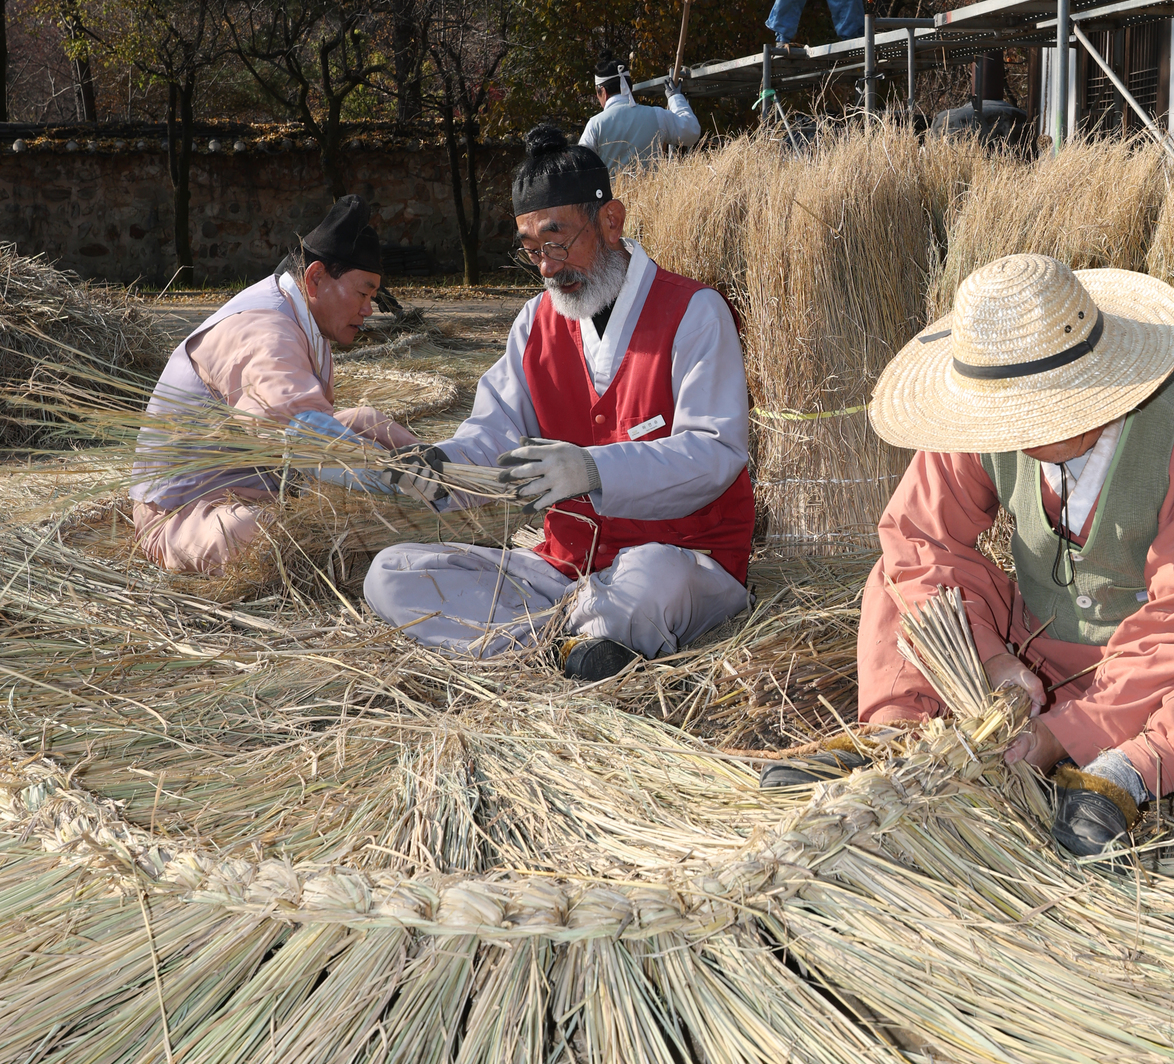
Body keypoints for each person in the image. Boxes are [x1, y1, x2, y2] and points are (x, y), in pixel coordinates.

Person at [784, 254, 1174, 861]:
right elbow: (920, 538)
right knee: (898, 575)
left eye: (1033, 409)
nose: (1010, 430)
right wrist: (992, 661)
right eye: (1001, 412)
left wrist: (1058, 736)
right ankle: (897, 739)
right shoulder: (981, 416)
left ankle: (1124, 772)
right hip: (1040, 659)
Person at [363, 124, 755, 680]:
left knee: (646, 587)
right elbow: (493, 433)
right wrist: (444, 467)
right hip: (564, 568)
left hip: (681, 558)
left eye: (558, 241)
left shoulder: (694, 312)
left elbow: (715, 454)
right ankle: (571, 649)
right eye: (531, 251)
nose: (547, 267)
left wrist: (593, 468)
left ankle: (565, 640)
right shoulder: (535, 323)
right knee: (392, 574)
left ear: (611, 222)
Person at [131, 196, 423, 576]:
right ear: (316, 277)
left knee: (367, 420)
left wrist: (415, 468)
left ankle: (442, 471)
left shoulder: (296, 314)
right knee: (264, 534)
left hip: (263, 478)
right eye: (363, 294)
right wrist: (394, 487)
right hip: (184, 511)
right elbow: (305, 430)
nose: (369, 309)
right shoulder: (264, 328)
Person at [578, 54, 702, 175]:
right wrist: (675, 98)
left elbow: (580, 167)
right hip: (652, 195)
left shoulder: (595, 124)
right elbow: (691, 131)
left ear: (603, 92)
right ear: (629, 88)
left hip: (611, 195)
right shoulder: (657, 115)